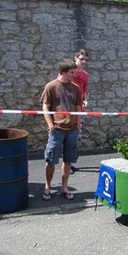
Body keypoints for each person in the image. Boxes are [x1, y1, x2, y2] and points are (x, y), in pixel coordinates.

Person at [40, 58, 83, 201]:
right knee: (51, 159)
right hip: (57, 129)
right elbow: (45, 106)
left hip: (72, 130)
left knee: (68, 159)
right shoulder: (51, 86)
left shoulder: (75, 88)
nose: (74, 75)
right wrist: (50, 124)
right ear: (63, 72)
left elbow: (78, 108)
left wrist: (78, 125)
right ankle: (48, 186)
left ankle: (64, 187)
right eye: (71, 72)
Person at [70, 49, 90, 173]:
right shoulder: (68, 72)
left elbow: (84, 91)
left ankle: (71, 161)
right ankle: (67, 162)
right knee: (67, 134)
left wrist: (85, 100)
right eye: (81, 59)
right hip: (68, 108)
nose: (83, 62)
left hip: (79, 109)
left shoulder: (85, 75)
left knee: (77, 135)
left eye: (85, 60)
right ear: (75, 58)